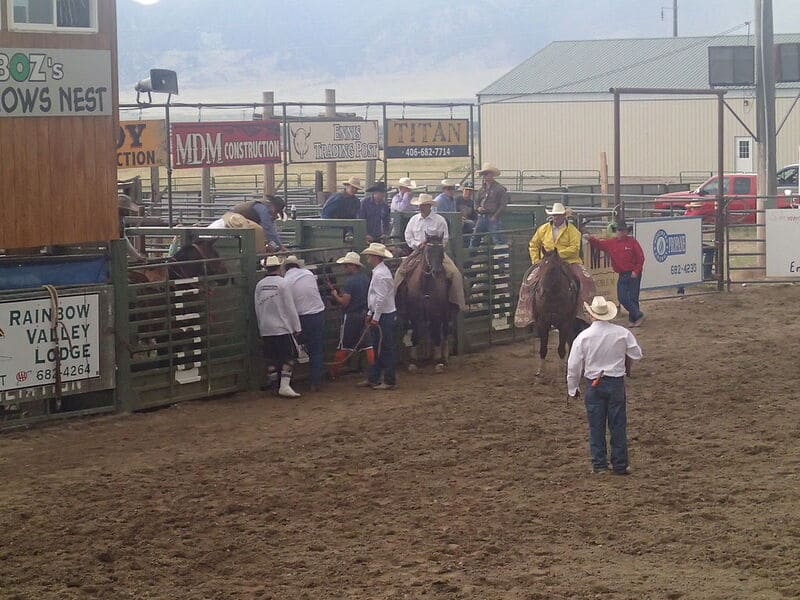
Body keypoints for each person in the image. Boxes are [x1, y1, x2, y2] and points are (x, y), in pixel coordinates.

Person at [567, 296, 643, 475]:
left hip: (594, 384)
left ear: (592, 315)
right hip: (615, 382)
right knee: (618, 424)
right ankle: (620, 464)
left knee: (596, 425)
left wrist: (572, 388)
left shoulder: (583, 337)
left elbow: (573, 365)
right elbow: (637, 354)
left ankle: (599, 464)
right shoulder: (622, 333)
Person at [395, 193, 466, 310]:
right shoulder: (414, 220)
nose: (421, 207)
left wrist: (435, 247)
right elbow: (408, 236)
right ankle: (397, 304)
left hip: (436, 253)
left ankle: (457, 303)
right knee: (400, 272)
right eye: (420, 205)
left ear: (429, 206)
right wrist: (418, 245)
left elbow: (445, 238)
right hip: (418, 252)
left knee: (455, 273)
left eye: (424, 205)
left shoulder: (439, 220)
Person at [526, 202, 596, 305]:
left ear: (564, 216)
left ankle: (586, 308)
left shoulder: (573, 231)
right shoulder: (543, 229)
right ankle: (528, 309)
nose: (556, 217)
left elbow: (575, 248)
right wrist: (536, 261)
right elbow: (533, 245)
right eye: (554, 215)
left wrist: (557, 255)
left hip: (569, 262)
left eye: (558, 215)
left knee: (586, 280)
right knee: (528, 283)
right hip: (546, 262)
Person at [254, 256, 302, 398]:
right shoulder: (283, 283)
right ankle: (284, 386)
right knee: (289, 356)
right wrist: (296, 326)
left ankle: (273, 383)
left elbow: (257, 307)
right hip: (282, 326)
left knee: (271, 357)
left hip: (266, 327)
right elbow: (290, 307)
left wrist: (261, 326)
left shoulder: (259, 285)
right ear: (279, 267)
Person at [586, 221, 646, 327]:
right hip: (623, 273)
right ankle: (637, 315)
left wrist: (636, 271)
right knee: (622, 297)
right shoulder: (612, 243)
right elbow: (599, 244)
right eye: (619, 230)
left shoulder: (632, 242)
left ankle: (633, 319)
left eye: (622, 230)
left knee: (633, 297)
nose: (620, 232)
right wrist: (590, 239)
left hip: (632, 273)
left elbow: (640, 258)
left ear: (626, 231)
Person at [283, 255, 326, 392]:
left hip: (300, 317)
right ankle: (316, 382)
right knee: (316, 350)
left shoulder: (286, 280)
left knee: (292, 349)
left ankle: (287, 381)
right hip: (317, 313)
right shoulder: (308, 273)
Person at [327, 251, 374, 378]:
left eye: (347, 265)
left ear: (353, 266)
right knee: (368, 345)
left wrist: (335, 295)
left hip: (352, 316)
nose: (345, 267)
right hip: (364, 314)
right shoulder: (365, 278)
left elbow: (345, 302)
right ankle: (374, 371)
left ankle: (333, 372)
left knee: (344, 345)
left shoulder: (350, 282)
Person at [359, 242, 397, 390]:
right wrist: (371, 313)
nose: (368, 257)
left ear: (375, 257)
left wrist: (375, 316)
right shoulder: (380, 272)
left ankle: (388, 379)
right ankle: (375, 377)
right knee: (378, 347)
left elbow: (380, 298)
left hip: (383, 315)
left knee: (384, 348)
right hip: (382, 314)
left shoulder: (380, 274)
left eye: (370, 255)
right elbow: (377, 298)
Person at [471, 163, 508, 247]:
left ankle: (501, 259)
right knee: (475, 238)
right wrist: (478, 208)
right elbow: (476, 202)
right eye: (483, 174)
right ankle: (471, 258)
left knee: (497, 239)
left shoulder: (499, 189)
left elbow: (503, 204)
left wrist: (495, 216)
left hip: (492, 217)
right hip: (482, 216)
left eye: (486, 173)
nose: (484, 176)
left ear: (492, 175)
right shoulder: (481, 189)